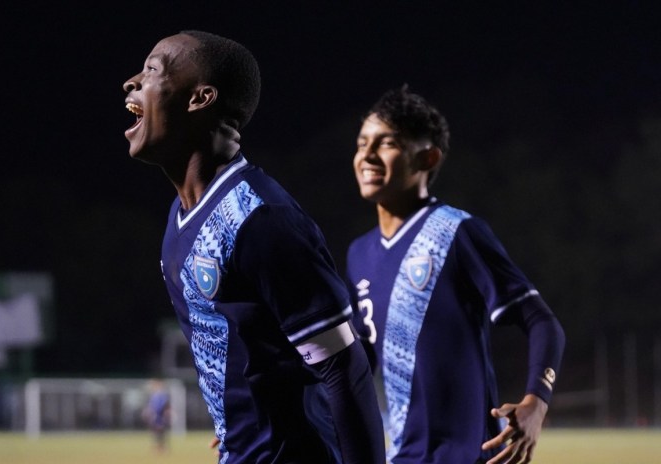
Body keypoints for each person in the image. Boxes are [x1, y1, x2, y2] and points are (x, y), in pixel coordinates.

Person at [122, 30, 385, 464]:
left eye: (151, 70)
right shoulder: (181, 216)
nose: (131, 81)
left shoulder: (261, 220)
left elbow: (344, 368)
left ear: (199, 98)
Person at [346, 85, 565, 464]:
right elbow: (354, 365)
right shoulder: (358, 254)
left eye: (387, 144)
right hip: (401, 457)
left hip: (469, 455)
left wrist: (536, 402)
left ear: (427, 158)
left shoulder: (457, 232)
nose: (367, 155)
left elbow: (542, 321)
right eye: (362, 143)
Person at [143, 379, 171, 453]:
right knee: (156, 432)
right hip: (154, 417)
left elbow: (165, 406)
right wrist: (148, 412)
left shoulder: (162, 396)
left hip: (160, 417)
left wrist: (166, 414)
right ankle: (158, 447)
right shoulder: (154, 396)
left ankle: (162, 448)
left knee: (160, 432)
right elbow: (152, 406)